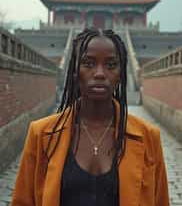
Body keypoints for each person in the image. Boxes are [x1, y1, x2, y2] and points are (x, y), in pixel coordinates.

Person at [11, 28, 169, 206]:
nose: (100, 73)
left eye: (111, 65)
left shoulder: (148, 137)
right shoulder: (41, 134)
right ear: (75, 72)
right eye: (88, 63)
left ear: (120, 74)